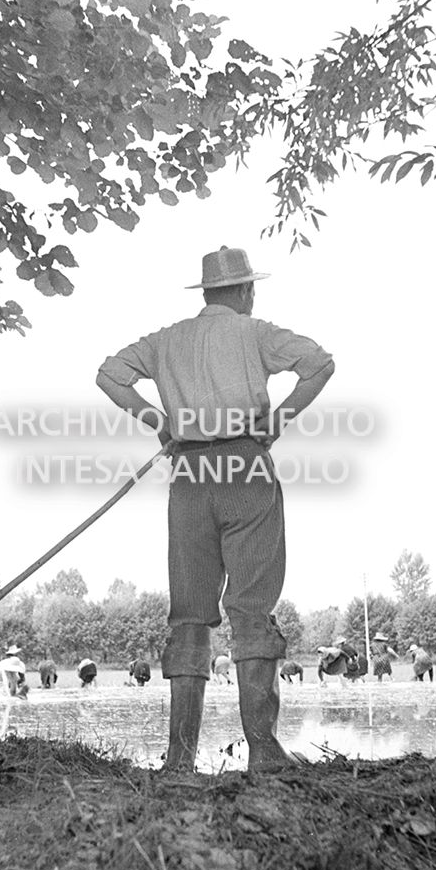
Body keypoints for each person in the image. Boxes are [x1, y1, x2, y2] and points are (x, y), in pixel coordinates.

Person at [97, 245, 335, 772]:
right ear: (246, 291)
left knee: (189, 613)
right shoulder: (255, 332)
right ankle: (265, 752)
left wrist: (157, 421)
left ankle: (180, 761)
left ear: (206, 293)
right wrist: (280, 419)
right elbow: (320, 363)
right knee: (250, 606)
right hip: (244, 466)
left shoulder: (166, 340)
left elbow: (109, 375)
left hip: (188, 473)